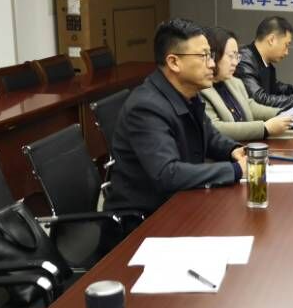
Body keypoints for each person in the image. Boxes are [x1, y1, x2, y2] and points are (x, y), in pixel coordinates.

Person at [105, 18, 246, 216]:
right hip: (144, 219)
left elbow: (209, 136)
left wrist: (233, 151)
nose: (212, 64)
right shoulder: (146, 107)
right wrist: (235, 170)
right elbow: (167, 173)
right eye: (203, 56)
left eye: (211, 55)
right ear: (174, 62)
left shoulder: (188, 93)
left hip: (181, 203)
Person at [200, 26, 293, 141]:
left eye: (237, 56)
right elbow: (216, 128)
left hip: (248, 144)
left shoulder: (234, 82)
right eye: (231, 56)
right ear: (213, 56)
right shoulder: (200, 89)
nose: (235, 62)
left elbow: (250, 106)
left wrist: (282, 114)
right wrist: (264, 128)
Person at [235, 16, 293, 111]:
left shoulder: (263, 60)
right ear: (271, 40)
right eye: (286, 45)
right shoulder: (244, 60)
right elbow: (259, 100)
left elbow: (277, 89)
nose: (287, 52)